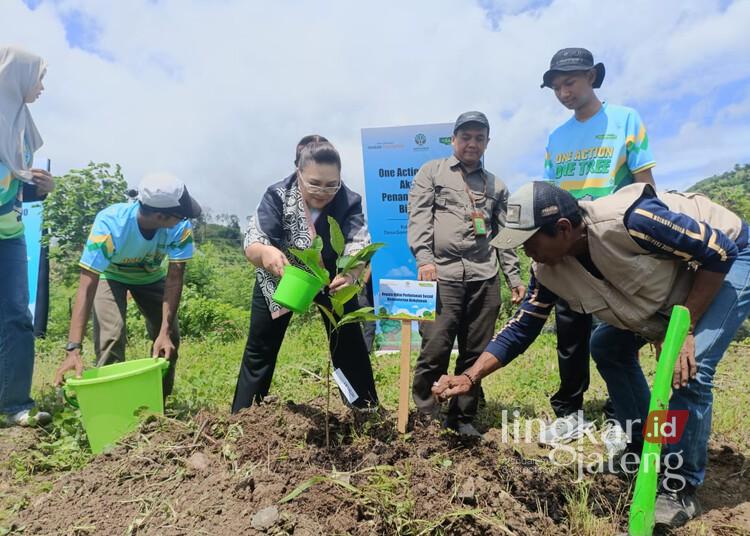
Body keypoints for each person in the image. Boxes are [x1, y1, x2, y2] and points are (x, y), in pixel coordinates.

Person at [432, 180, 750, 529]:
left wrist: (685, 330)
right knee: (607, 347)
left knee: (691, 367)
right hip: (665, 292)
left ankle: (681, 484)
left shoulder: (632, 220)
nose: (525, 254)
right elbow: (522, 328)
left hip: (728, 260)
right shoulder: (547, 271)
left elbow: (718, 251)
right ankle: (644, 445)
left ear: (563, 229)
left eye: (529, 242)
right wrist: (469, 377)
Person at [539, 48, 656, 445]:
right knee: (570, 331)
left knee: (614, 331)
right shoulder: (556, 138)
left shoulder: (626, 119)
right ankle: (569, 411)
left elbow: (646, 184)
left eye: (569, 82)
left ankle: (616, 416)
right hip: (568, 244)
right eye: (556, 87)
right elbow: (550, 192)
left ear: (591, 76)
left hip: (612, 240)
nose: (564, 92)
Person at [232, 139, 379, 413]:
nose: (323, 192)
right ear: (298, 172)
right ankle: (244, 415)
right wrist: (266, 254)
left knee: (349, 344)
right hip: (282, 276)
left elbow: (359, 241)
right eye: (314, 183)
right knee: (260, 348)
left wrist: (351, 273)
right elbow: (254, 241)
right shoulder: (277, 195)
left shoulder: (348, 200)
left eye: (331, 185)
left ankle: (365, 410)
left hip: (334, 280)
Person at [407, 111, 525, 436]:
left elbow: (507, 237)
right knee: (434, 347)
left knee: (476, 350)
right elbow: (418, 219)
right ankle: (427, 415)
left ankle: (462, 417)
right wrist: (424, 259)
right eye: (466, 137)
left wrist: (513, 278)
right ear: (453, 139)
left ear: (487, 142)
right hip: (440, 276)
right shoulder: (431, 173)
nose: (473, 144)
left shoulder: (496, 186)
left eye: (480, 138)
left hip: (484, 278)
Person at [54, 173, 201, 397]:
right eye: (180, 216)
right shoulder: (110, 224)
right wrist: (73, 348)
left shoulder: (179, 227)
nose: (184, 221)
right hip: (110, 276)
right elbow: (86, 286)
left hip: (151, 277)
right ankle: (111, 403)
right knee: (111, 337)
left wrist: (164, 330)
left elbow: (174, 277)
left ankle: (159, 403)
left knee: (170, 339)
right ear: (161, 216)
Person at [0, 47, 54, 426]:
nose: (42, 87)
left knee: (18, 317)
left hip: (11, 234)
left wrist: (40, 186)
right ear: (17, 76)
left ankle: (14, 403)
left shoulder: (20, 122)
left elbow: (14, 184)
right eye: (39, 77)